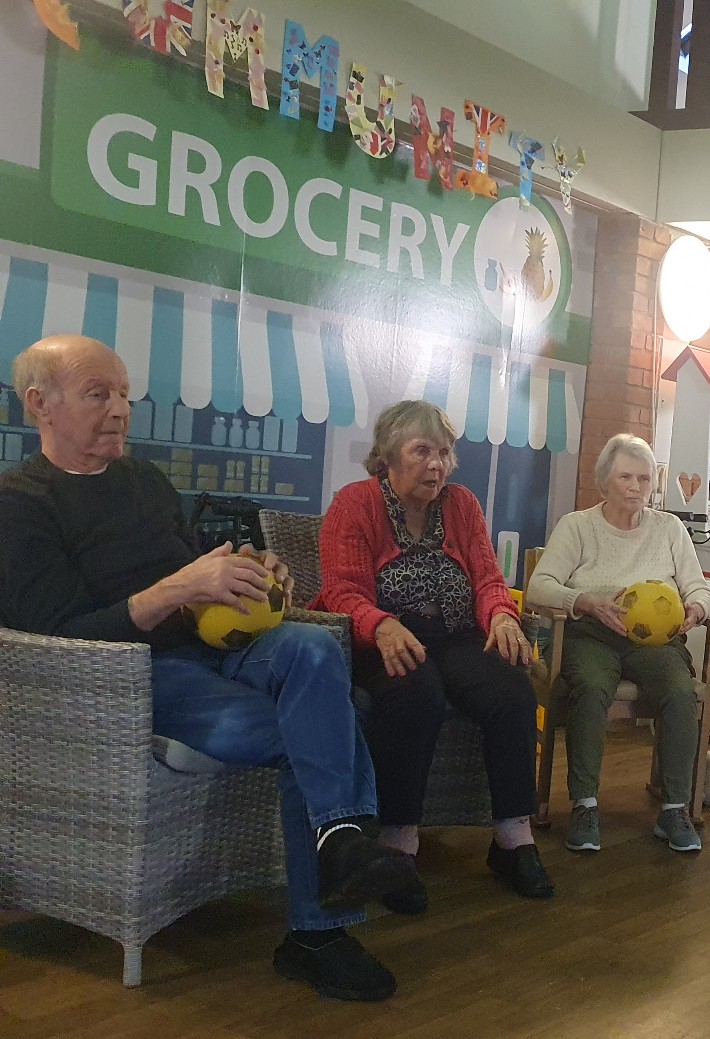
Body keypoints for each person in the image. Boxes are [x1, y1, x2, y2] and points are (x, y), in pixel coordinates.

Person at [0, 335, 422, 1001]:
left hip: (221, 646)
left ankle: (341, 838)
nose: (119, 410)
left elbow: (201, 560)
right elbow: (55, 635)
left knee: (315, 649)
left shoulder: (145, 481)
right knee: (321, 723)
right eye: (98, 394)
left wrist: (259, 574)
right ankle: (318, 929)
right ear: (40, 405)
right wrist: (177, 588)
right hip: (137, 679)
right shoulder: (22, 502)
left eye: (124, 395)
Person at [312, 400, 550, 913]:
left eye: (443, 453)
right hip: (381, 637)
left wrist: (502, 615)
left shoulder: (461, 505)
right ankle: (398, 845)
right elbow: (341, 591)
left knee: (511, 687)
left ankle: (512, 838)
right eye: (421, 451)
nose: (436, 465)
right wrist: (380, 624)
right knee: (415, 693)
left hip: (456, 633)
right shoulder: (354, 504)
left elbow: (487, 579)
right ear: (388, 457)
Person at [527, 433, 710, 854]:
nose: (636, 486)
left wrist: (694, 611)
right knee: (591, 687)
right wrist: (585, 601)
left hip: (656, 641)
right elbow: (539, 587)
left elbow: (699, 589)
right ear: (604, 481)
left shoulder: (668, 528)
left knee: (682, 692)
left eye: (644, 479)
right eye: (626, 476)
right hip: (591, 633)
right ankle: (584, 805)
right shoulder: (578, 526)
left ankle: (674, 809)